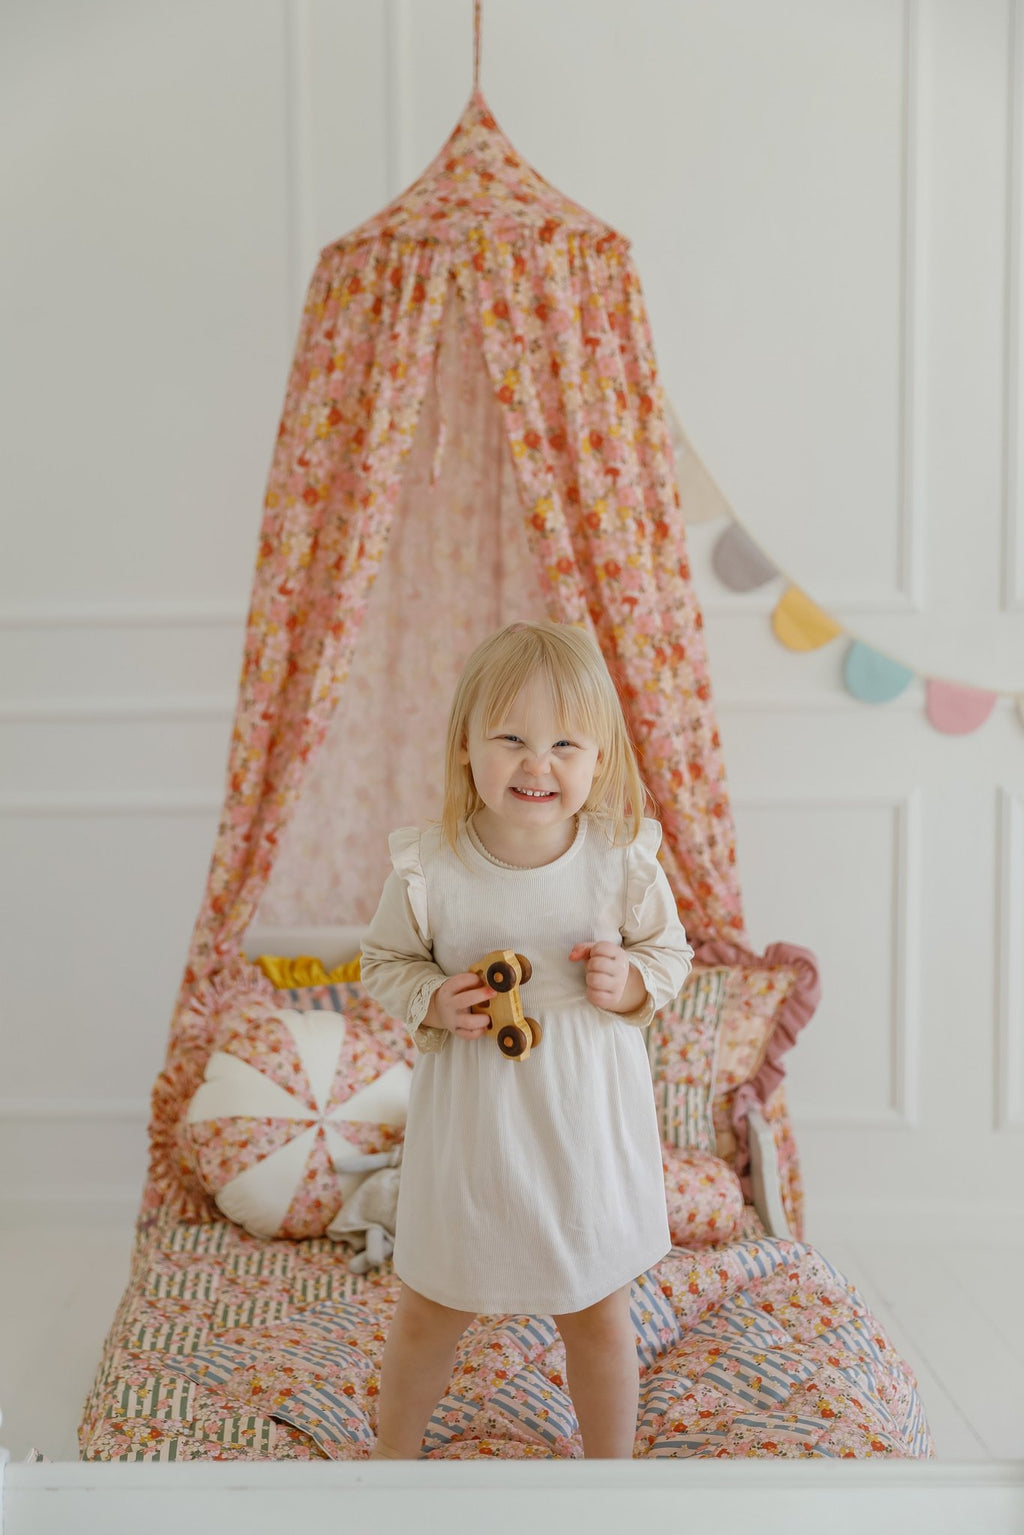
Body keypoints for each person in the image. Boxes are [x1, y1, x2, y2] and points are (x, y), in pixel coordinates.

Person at [360, 620, 693, 1460]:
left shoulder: (620, 862)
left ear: (599, 759)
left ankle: (608, 1479)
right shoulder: (431, 869)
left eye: (564, 744)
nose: (537, 763)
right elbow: (382, 963)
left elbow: (671, 952)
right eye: (510, 738)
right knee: (431, 1307)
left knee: (595, 1311)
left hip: (581, 1129)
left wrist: (633, 983)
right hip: (477, 1134)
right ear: (466, 746)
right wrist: (433, 999)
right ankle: (388, 1467)